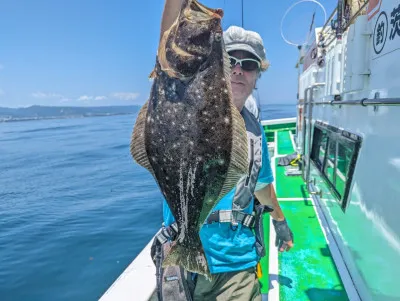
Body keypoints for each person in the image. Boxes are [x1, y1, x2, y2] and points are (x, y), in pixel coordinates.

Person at [158, 1, 294, 300]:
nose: (238, 70)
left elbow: (260, 187)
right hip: (178, 257)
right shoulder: (183, 104)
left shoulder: (255, 132)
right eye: (230, 59)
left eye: (250, 65)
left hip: (235, 266)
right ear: (215, 63)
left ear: (258, 75)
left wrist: (280, 220)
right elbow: (168, 46)